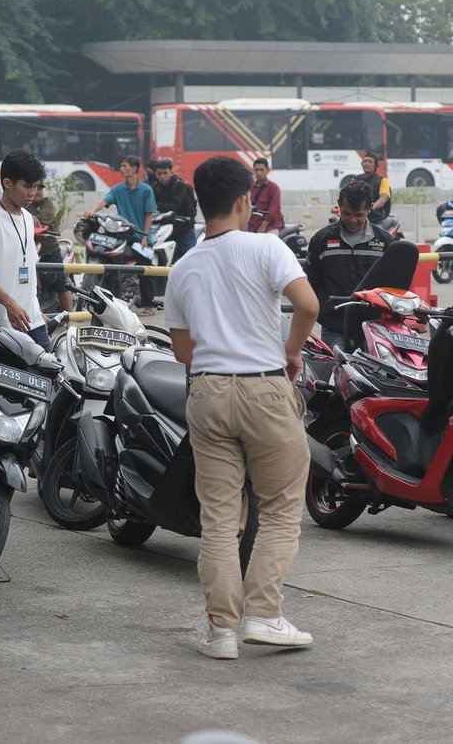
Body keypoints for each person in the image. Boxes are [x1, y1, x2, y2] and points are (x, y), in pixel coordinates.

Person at [164, 156, 319, 660]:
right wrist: (291, 350)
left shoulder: (183, 266)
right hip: (264, 389)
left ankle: (222, 631)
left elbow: (183, 352)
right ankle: (264, 615)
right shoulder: (265, 247)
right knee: (277, 510)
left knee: (219, 520)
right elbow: (309, 305)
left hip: (207, 392)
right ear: (243, 200)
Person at [0, 149, 50, 350]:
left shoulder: (27, 217)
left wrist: (36, 308)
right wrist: (10, 304)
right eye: (27, 186)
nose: (32, 192)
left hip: (31, 319)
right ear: (7, 183)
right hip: (2, 326)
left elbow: (27, 269)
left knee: (50, 376)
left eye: (35, 186)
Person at [305, 180, 393, 349]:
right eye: (346, 213)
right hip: (333, 329)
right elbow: (311, 282)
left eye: (359, 215)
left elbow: (394, 285)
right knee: (334, 374)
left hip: (375, 330)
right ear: (338, 206)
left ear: (370, 208)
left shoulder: (385, 242)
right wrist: (322, 312)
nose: (352, 220)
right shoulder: (321, 240)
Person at [85, 154, 157, 316]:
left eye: (125, 166)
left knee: (145, 269)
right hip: (123, 235)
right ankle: (115, 300)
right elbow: (104, 201)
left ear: (134, 168)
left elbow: (149, 215)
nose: (121, 169)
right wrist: (92, 211)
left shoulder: (146, 190)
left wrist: (145, 236)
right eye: (121, 166)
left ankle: (148, 304)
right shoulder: (118, 189)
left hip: (141, 237)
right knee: (113, 262)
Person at [29, 183, 73, 313]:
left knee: (61, 284)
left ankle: (71, 317)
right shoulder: (24, 205)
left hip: (49, 250)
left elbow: (44, 219)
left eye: (40, 189)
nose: (38, 192)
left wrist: (30, 218)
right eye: (34, 188)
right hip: (30, 251)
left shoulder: (47, 205)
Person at [153, 158, 197, 260]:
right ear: (156, 174)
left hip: (184, 227)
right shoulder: (154, 187)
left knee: (191, 257)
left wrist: (158, 205)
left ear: (171, 172)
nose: (162, 176)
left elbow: (174, 205)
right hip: (164, 227)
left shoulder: (179, 185)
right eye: (159, 173)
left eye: (165, 173)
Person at [247, 157, 282, 235]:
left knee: (271, 244)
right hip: (252, 227)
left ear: (267, 170)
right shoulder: (250, 187)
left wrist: (263, 226)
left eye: (262, 170)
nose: (259, 173)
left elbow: (274, 210)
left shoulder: (274, 188)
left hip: (269, 227)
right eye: (256, 170)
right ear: (253, 171)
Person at [357, 151, 391, 225]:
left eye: (370, 162)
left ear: (375, 166)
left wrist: (373, 206)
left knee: (378, 236)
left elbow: (384, 197)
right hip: (357, 218)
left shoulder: (382, 180)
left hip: (375, 220)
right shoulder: (356, 179)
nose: (367, 163)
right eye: (365, 161)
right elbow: (347, 195)